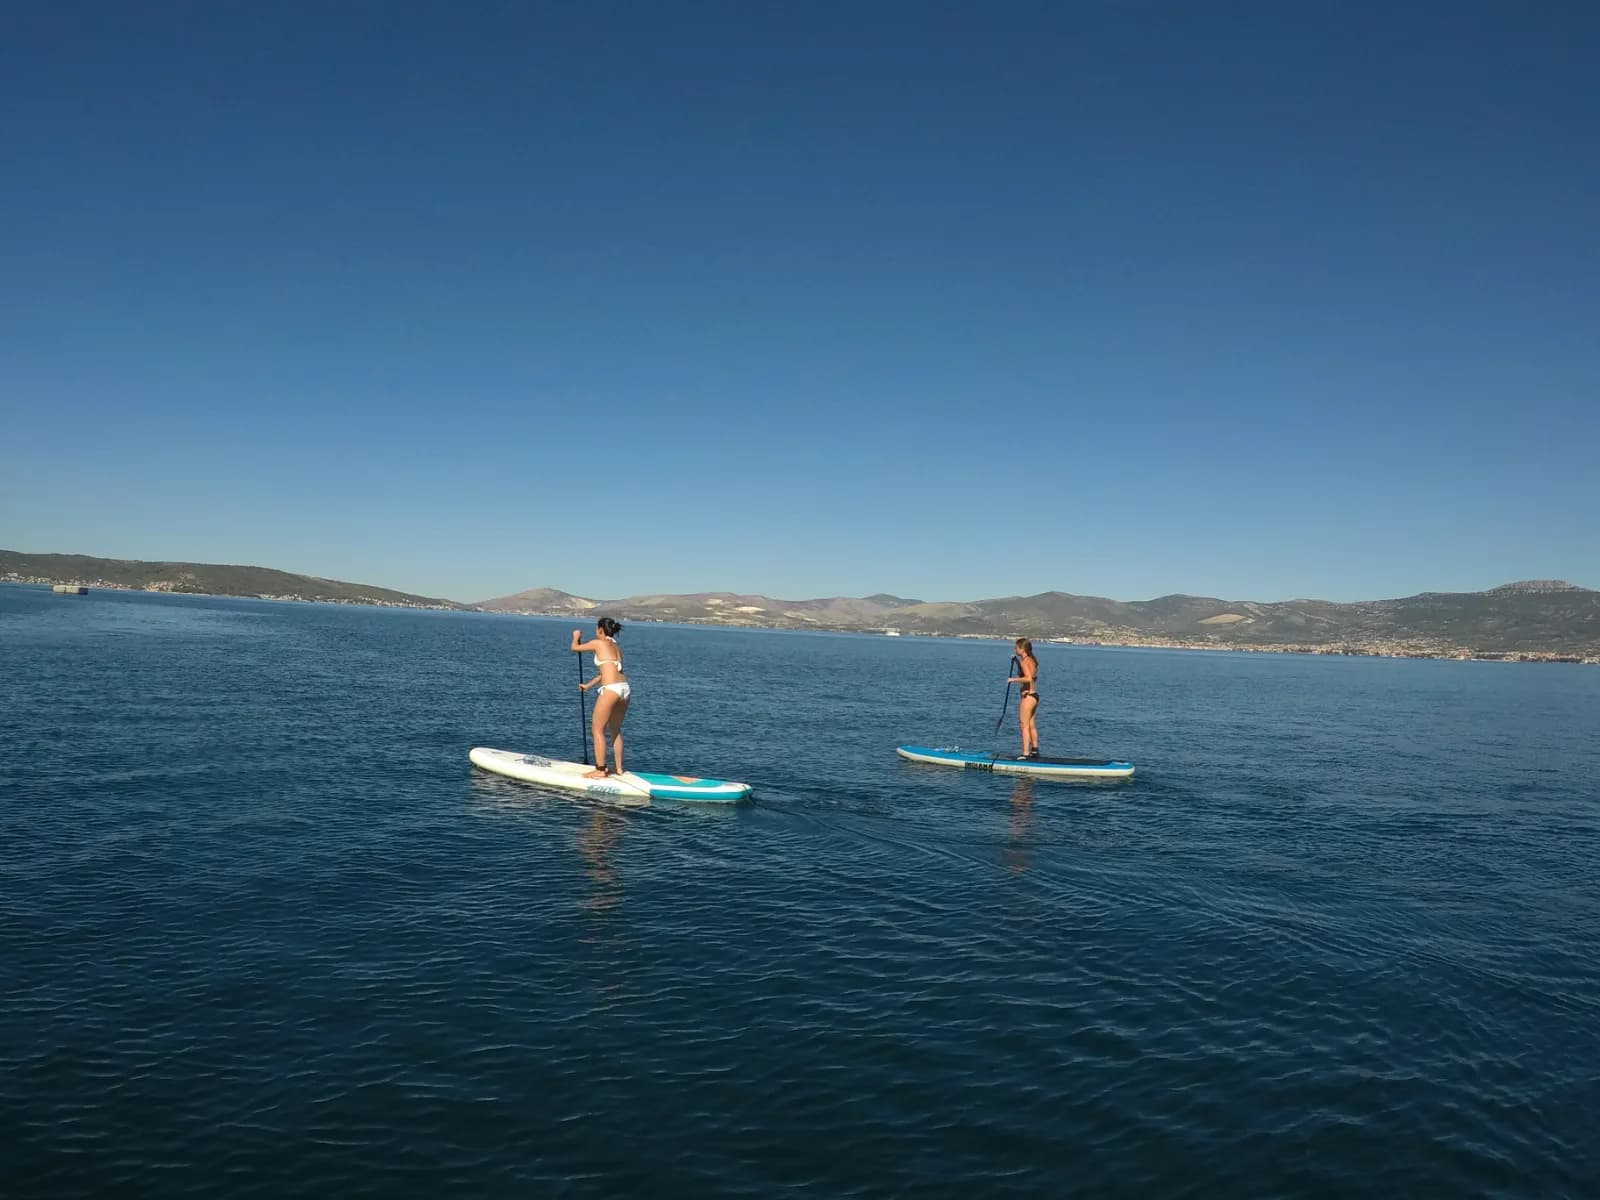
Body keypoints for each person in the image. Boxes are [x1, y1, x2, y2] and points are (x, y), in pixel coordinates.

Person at [571, 617, 630, 778]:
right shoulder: (616, 646)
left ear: (600, 630)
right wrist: (588, 685)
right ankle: (618, 769)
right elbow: (606, 672)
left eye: (596, 630)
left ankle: (600, 769)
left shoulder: (598, 643)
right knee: (615, 730)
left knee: (597, 730)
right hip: (624, 689)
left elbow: (575, 648)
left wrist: (576, 636)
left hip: (610, 689)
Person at [1008, 637, 1040, 758]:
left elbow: (1028, 678)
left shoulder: (1025, 661)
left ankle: (1025, 754)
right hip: (1034, 696)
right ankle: (1035, 750)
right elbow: (1028, 673)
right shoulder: (1031, 660)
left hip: (1027, 697)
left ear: (1022, 649)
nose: (1015, 649)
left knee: (1023, 725)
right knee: (1031, 724)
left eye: (1016, 648)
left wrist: (1013, 680)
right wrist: (1015, 660)